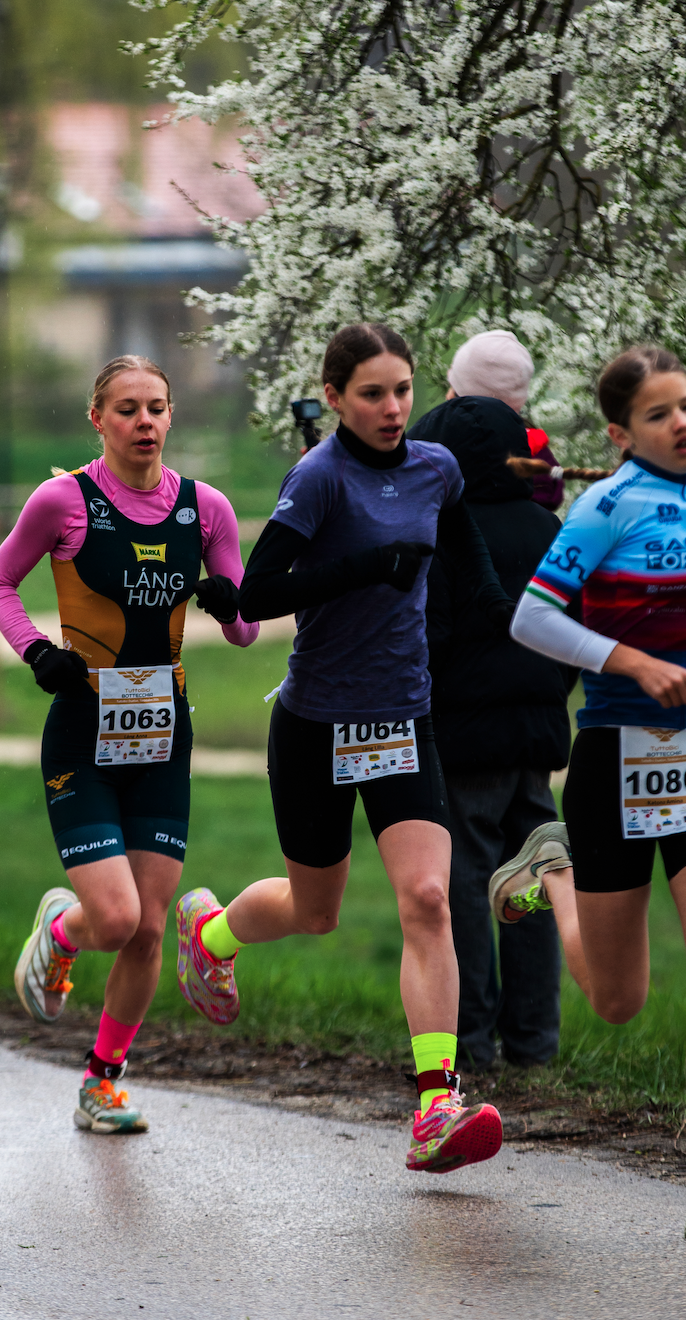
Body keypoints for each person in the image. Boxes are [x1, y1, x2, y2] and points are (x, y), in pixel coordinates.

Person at [173, 323, 512, 1174]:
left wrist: (511, 622)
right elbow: (256, 593)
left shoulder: (437, 468)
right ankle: (213, 934)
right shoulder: (319, 477)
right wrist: (369, 565)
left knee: (428, 898)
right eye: (372, 393)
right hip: (318, 723)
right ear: (334, 398)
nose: (393, 408)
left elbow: (466, 559)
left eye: (402, 390)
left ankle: (437, 1099)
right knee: (314, 910)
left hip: (403, 719)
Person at [505, 345, 686, 1244]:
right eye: (663, 413)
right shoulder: (603, 507)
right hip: (613, 759)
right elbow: (532, 617)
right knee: (618, 1001)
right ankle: (553, 871)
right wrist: (631, 662)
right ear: (622, 433)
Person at [0, 354, 258, 1136]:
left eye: (158, 408)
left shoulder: (207, 510)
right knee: (111, 919)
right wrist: (38, 651)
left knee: (144, 927)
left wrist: (233, 601)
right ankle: (61, 929)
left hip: (164, 734)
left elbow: (244, 633)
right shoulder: (63, 500)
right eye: (128, 408)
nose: (145, 423)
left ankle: (103, 1082)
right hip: (82, 730)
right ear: (96, 418)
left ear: (172, 417)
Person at [408, 389, 576, 1072]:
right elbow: (573, 633)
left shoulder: (445, 530)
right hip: (536, 734)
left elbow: (430, 638)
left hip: (462, 739)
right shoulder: (549, 531)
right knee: (534, 874)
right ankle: (534, 1043)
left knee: (468, 884)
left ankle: (470, 1040)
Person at [445, 329, 564, 511]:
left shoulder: (448, 460)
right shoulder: (538, 458)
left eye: (453, 387)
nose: (446, 395)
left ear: (464, 402)